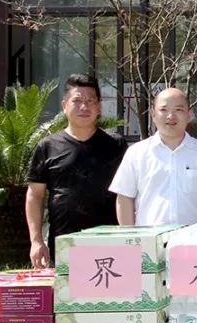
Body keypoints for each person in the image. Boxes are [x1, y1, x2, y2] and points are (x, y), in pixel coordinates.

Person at [25, 74, 127, 268]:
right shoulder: (47, 146)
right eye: (77, 101)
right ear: (64, 106)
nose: (84, 107)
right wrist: (36, 241)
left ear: (99, 107)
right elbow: (35, 195)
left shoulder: (116, 145)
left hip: (111, 245)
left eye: (90, 101)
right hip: (64, 245)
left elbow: (128, 194)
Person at [109, 88, 197, 226]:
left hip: (193, 236)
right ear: (153, 114)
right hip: (148, 237)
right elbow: (124, 197)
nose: (170, 116)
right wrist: (130, 235)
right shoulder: (136, 153)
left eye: (178, 110)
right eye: (164, 110)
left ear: (189, 115)